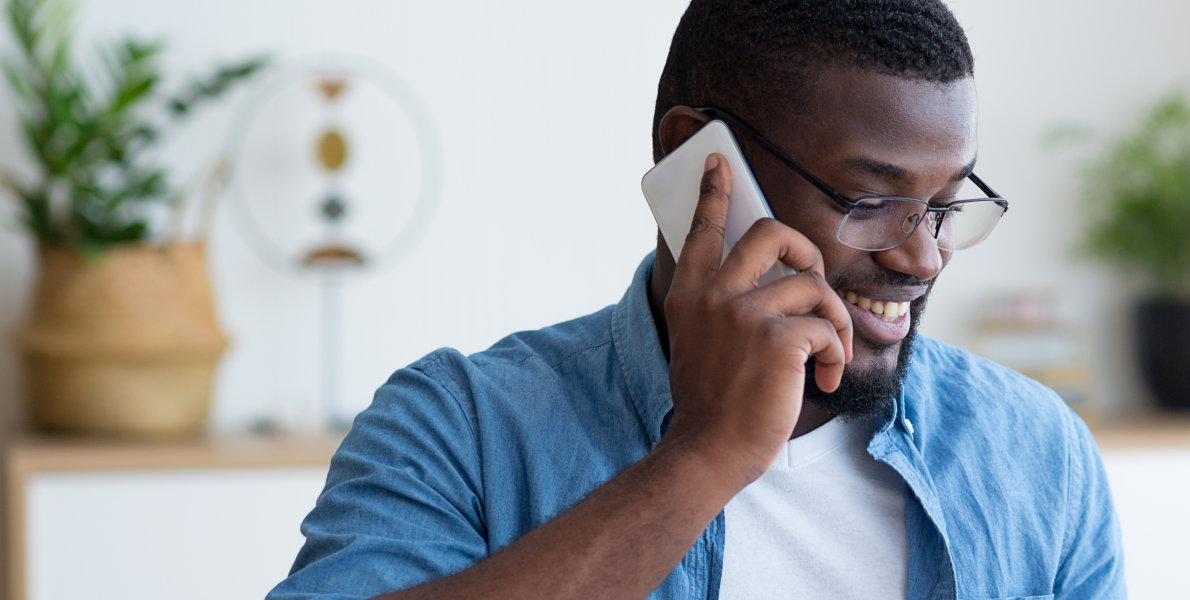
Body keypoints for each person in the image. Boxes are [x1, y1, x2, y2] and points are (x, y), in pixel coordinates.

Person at [267, 1, 1126, 599]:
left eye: (945, 206)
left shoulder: (1032, 453)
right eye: (871, 202)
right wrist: (703, 458)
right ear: (699, 164)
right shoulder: (464, 428)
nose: (922, 256)